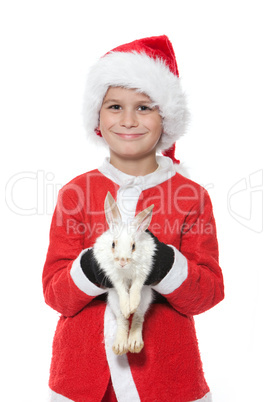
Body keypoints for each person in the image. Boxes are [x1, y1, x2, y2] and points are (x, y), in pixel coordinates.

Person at [43, 35, 224, 402]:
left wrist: (164, 264)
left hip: (165, 380)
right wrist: (93, 266)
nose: (128, 120)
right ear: (98, 114)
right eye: (114, 106)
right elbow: (55, 294)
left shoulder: (192, 197)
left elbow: (207, 294)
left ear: (166, 116)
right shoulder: (75, 193)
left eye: (144, 107)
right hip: (83, 381)